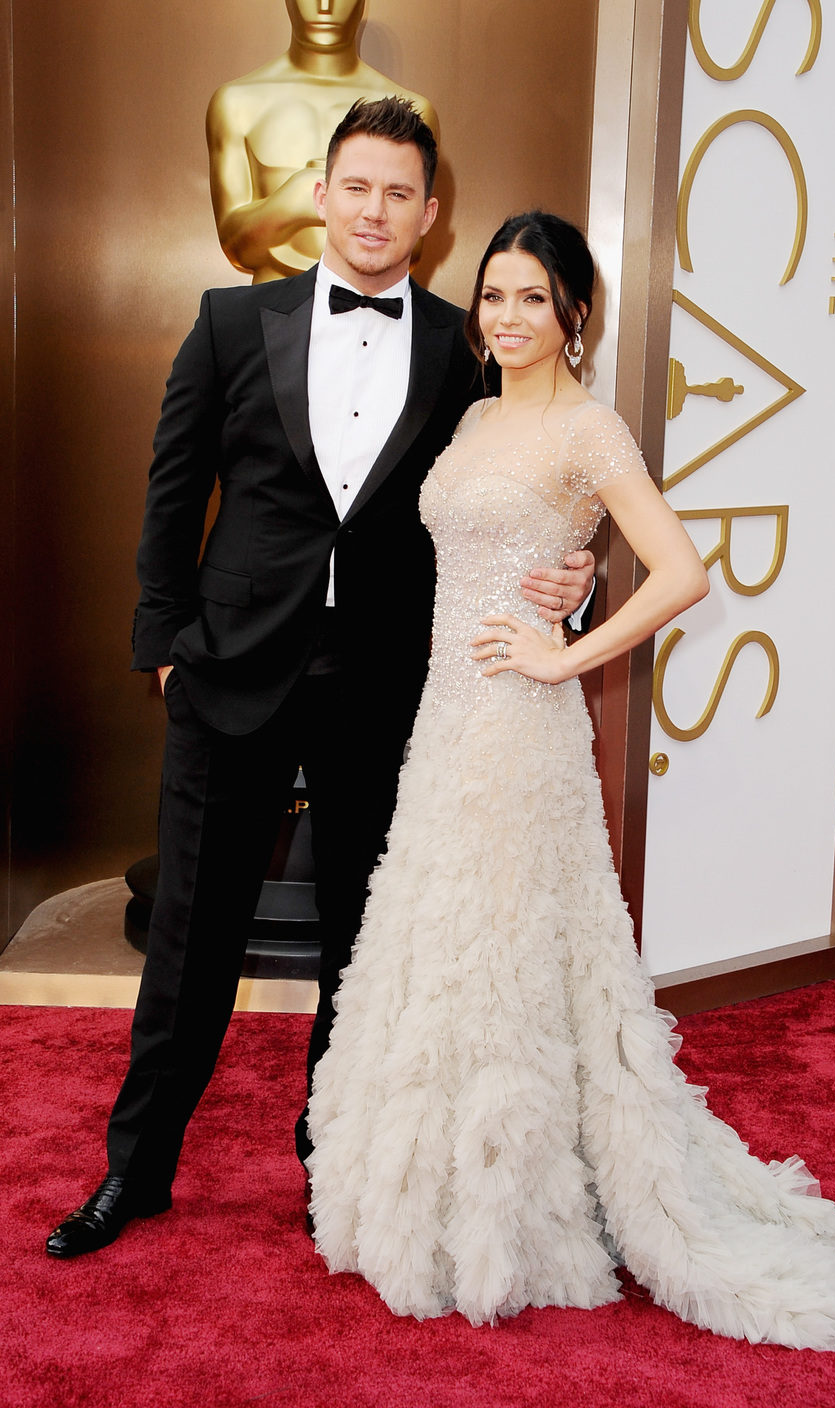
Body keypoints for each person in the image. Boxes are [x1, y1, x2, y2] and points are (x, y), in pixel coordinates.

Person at [304, 212, 835, 1349]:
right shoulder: (472, 414)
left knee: (512, 946)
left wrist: (563, 648)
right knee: (450, 941)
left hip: (521, 726)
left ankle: (517, 1210)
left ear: (576, 312)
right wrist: (569, 577)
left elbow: (684, 569)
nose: (508, 318)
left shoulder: (592, 426)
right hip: (445, 718)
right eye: (494, 295)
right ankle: (441, 1190)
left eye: (533, 298)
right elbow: (496, 552)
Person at [45, 101, 594, 1260]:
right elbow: (172, 483)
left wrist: (573, 572)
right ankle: (133, 1172)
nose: (376, 211)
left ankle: (332, 1168)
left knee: (362, 941)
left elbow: (506, 488)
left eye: (401, 193)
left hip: (385, 684)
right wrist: (162, 640)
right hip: (229, 670)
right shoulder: (231, 321)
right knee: (191, 942)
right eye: (358, 186)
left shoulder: (461, 343)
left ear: (431, 214)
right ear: (321, 191)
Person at [207, 0, 438, 282]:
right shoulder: (236, 103)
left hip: (374, 310)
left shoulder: (415, 112)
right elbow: (236, 245)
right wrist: (295, 198)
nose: (324, 5)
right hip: (269, 315)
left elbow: (411, 244)